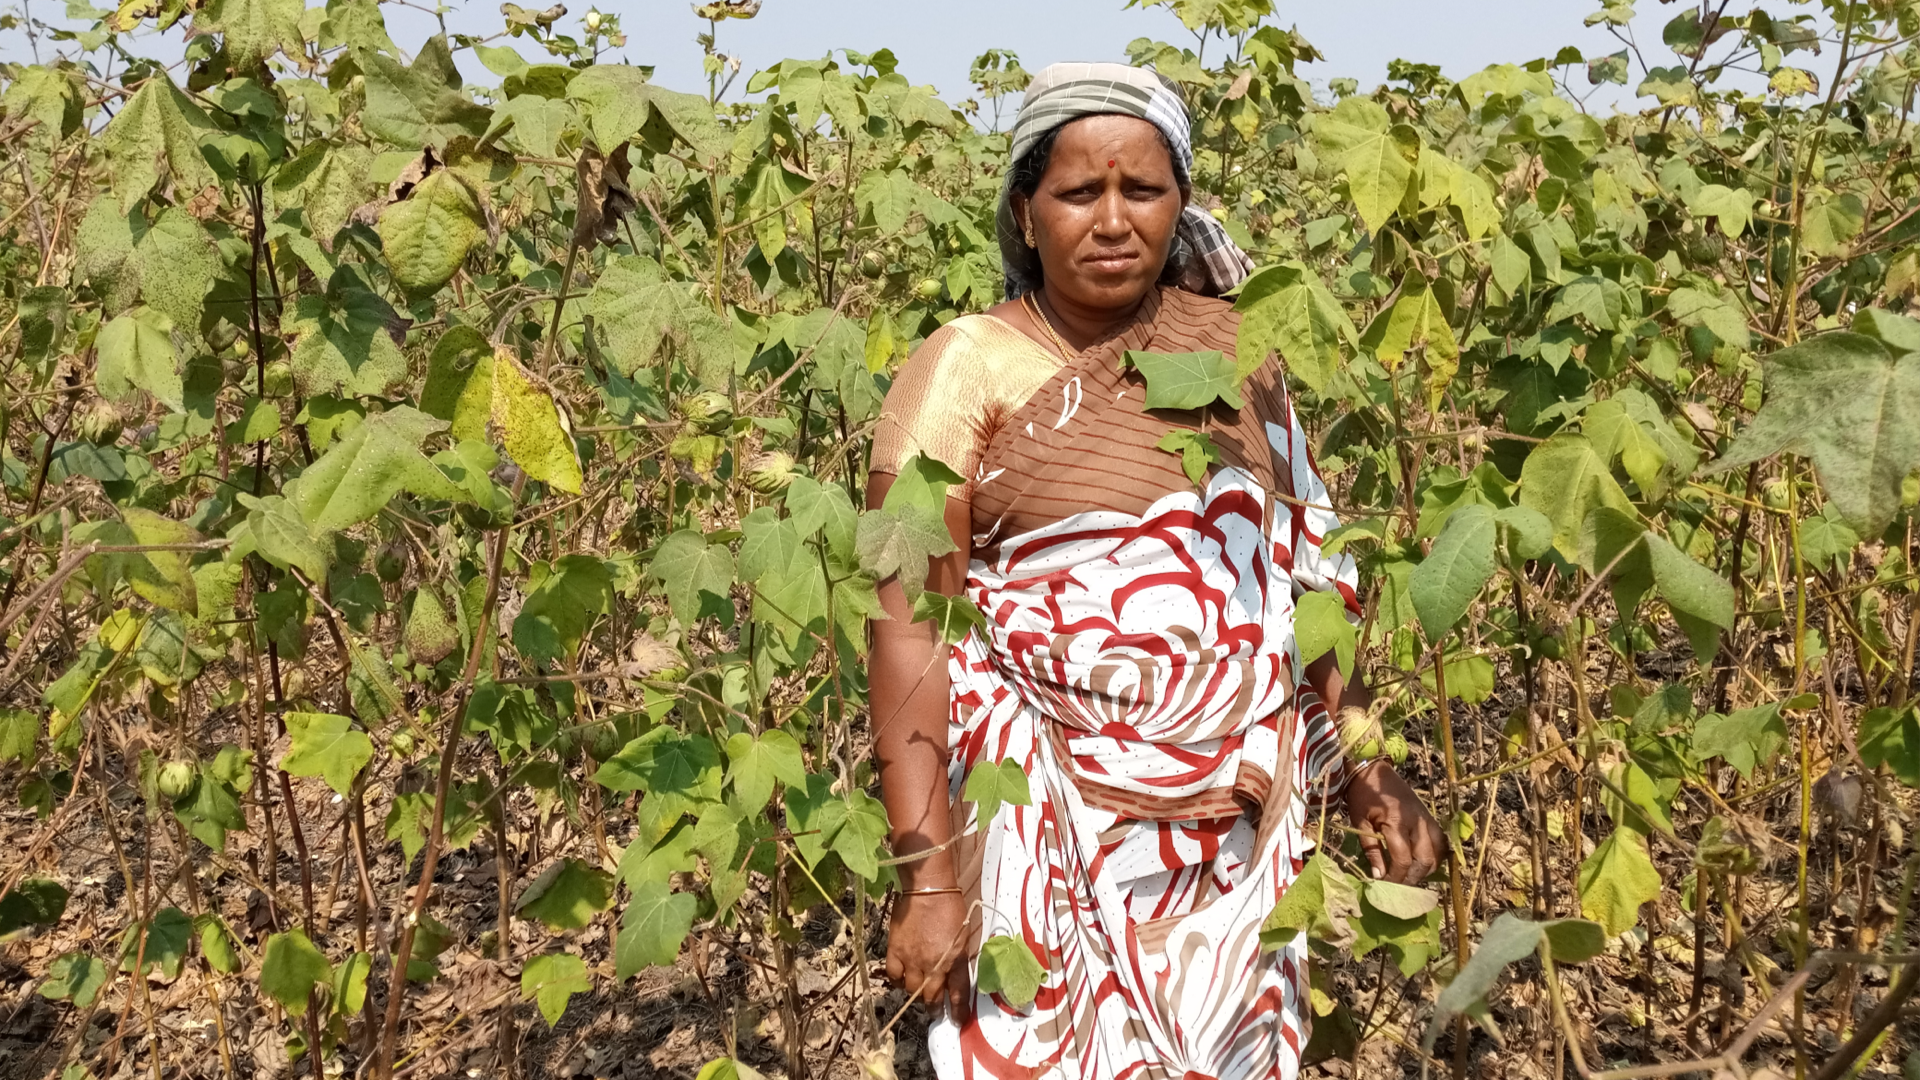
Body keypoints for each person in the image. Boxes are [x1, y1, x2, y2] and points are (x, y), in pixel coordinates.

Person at [865, 61, 1445, 1080]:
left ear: (1182, 205)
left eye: (1143, 191)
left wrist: (1366, 764)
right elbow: (910, 620)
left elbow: (1306, 580)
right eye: (1079, 193)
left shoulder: (1236, 353)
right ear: (1025, 210)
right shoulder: (961, 369)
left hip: (1234, 832)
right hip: (1040, 817)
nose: (1113, 219)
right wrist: (928, 871)